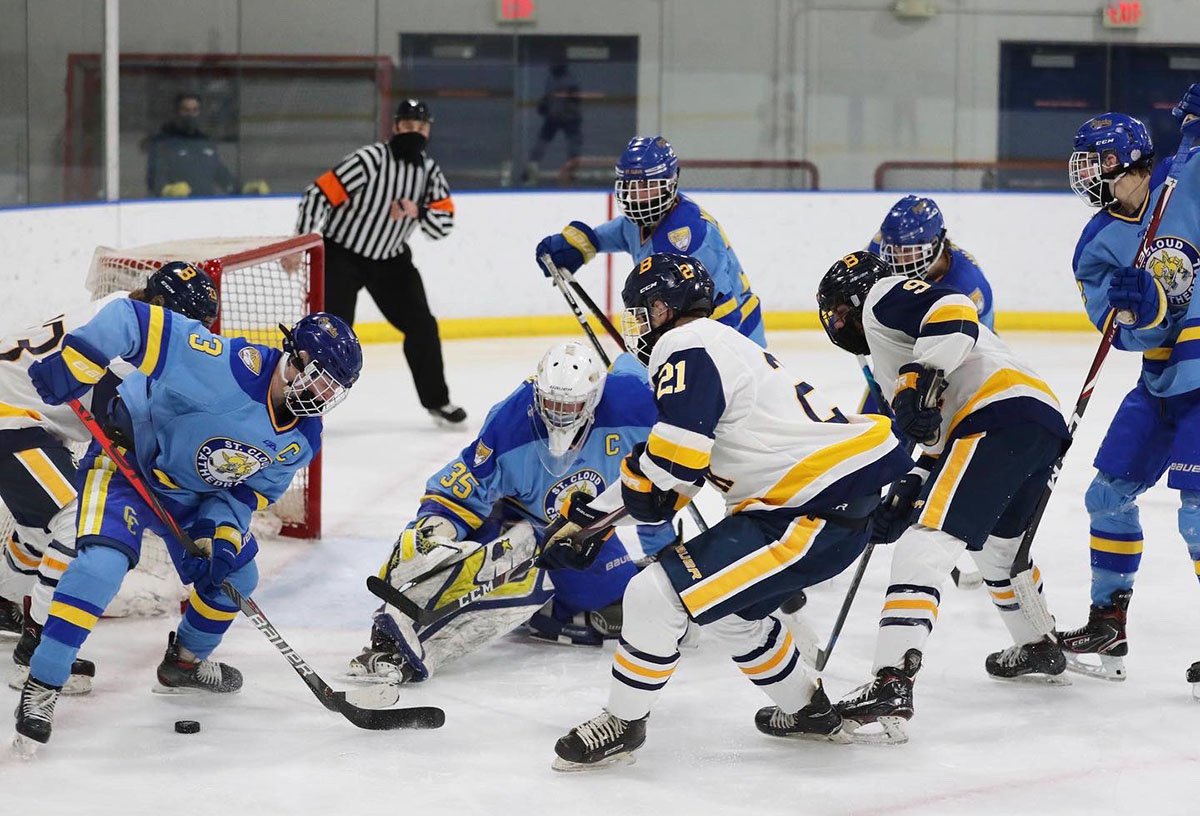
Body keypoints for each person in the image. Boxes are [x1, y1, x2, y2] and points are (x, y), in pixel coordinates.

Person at [544, 253, 912, 771]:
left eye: (641, 312)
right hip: (814, 504)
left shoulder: (684, 345)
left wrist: (599, 518)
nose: (638, 327)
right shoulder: (718, 345)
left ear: (662, 307)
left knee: (654, 593)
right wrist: (591, 519)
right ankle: (809, 713)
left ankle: (623, 723)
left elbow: (667, 476)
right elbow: (674, 465)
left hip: (805, 511)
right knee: (738, 617)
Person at [11, 303, 361, 752]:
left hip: (192, 497)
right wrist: (77, 362)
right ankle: (42, 683)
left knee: (239, 575)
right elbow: (129, 320)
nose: (320, 394)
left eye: (331, 388)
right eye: (318, 377)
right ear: (293, 358)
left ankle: (185, 663)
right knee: (101, 566)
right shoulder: (228, 368)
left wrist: (223, 538)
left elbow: (246, 493)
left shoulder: (303, 438)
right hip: (127, 466)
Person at [816, 250, 1070, 744]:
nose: (841, 324)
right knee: (998, 550)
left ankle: (891, 681)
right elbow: (935, 434)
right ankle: (1038, 643)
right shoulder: (896, 356)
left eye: (840, 312)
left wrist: (916, 380)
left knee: (923, 546)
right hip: (1034, 419)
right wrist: (910, 487)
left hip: (993, 414)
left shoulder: (881, 298)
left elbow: (955, 310)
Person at [348, 340, 674, 684]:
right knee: (508, 557)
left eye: (571, 405)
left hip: (579, 532)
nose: (559, 413)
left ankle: (542, 612)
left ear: (593, 398)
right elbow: (460, 489)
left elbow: (678, 415)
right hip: (508, 521)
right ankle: (398, 633)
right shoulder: (510, 422)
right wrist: (435, 532)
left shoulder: (632, 404)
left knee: (618, 610)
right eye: (551, 402)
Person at [0, 261, 219, 695]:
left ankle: (5, 598)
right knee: (76, 518)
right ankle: (38, 643)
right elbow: (125, 428)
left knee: (37, 525)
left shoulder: (119, 312)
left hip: (26, 419)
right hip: (11, 419)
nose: (192, 335)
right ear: (157, 305)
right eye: (185, 322)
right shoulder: (127, 349)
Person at [1058, 92, 1200, 691]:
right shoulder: (1097, 246)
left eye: (1094, 166)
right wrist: (1139, 317)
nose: (1086, 180)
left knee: (1197, 514)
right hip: (1162, 383)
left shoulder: (1186, 178)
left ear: (1131, 166)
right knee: (1104, 498)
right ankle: (1108, 621)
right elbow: (1123, 338)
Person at [296, 97, 464, 426]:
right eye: (408, 126)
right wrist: (300, 242)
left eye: (421, 127)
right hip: (342, 255)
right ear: (395, 127)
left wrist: (419, 211)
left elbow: (444, 223)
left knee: (422, 326)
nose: (414, 132)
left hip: (391, 260)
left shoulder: (429, 172)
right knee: (330, 331)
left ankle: (438, 401)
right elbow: (319, 194)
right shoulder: (370, 160)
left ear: (428, 131)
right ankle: (308, 401)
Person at [535, 136, 767, 348]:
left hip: (736, 332)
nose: (637, 196)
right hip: (677, 326)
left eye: (647, 186)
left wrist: (668, 347)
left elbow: (721, 309)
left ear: (670, 183)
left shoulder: (691, 237)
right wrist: (574, 246)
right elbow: (601, 237)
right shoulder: (637, 222)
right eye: (631, 186)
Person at [146, 92, 269, 198]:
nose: (190, 115)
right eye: (186, 110)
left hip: (207, 208)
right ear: (177, 112)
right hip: (177, 210)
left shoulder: (205, 143)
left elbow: (222, 177)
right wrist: (168, 191)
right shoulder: (163, 144)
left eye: (194, 110)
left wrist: (246, 188)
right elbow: (154, 181)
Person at [523, 62, 583, 186]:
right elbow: (548, 97)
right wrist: (544, 104)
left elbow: (575, 98)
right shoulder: (551, 79)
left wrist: (568, 102)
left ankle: (571, 171)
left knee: (573, 145)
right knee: (541, 143)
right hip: (554, 117)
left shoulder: (570, 80)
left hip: (569, 118)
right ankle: (531, 169)